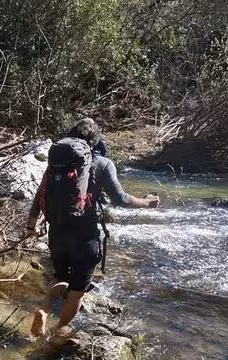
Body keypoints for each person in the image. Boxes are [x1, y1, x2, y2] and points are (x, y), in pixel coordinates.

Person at [26, 118, 159, 337]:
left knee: (59, 277)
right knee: (77, 292)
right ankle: (56, 330)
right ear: (95, 140)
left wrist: (31, 227)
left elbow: (39, 196)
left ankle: (43, 310)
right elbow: (121, 199)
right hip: (85, 236)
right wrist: (147, 202)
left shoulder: (56, 164)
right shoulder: (102, 164)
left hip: (57, 232)